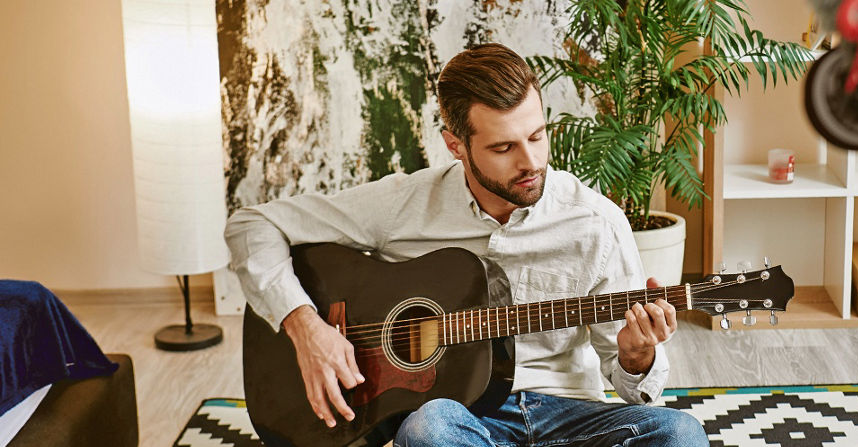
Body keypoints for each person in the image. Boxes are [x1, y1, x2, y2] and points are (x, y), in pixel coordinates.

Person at [225, 43, 709, 446]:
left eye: (538, 136)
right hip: (465, 422)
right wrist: (306, 327)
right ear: (456, 145)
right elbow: (251, 225)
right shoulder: (404, 203)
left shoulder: (597, 222)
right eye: (503, 148)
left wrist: (636, 355)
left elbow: (632, 384)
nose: (531, 161)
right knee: (428, 427)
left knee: (681, 434)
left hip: (569, 416)